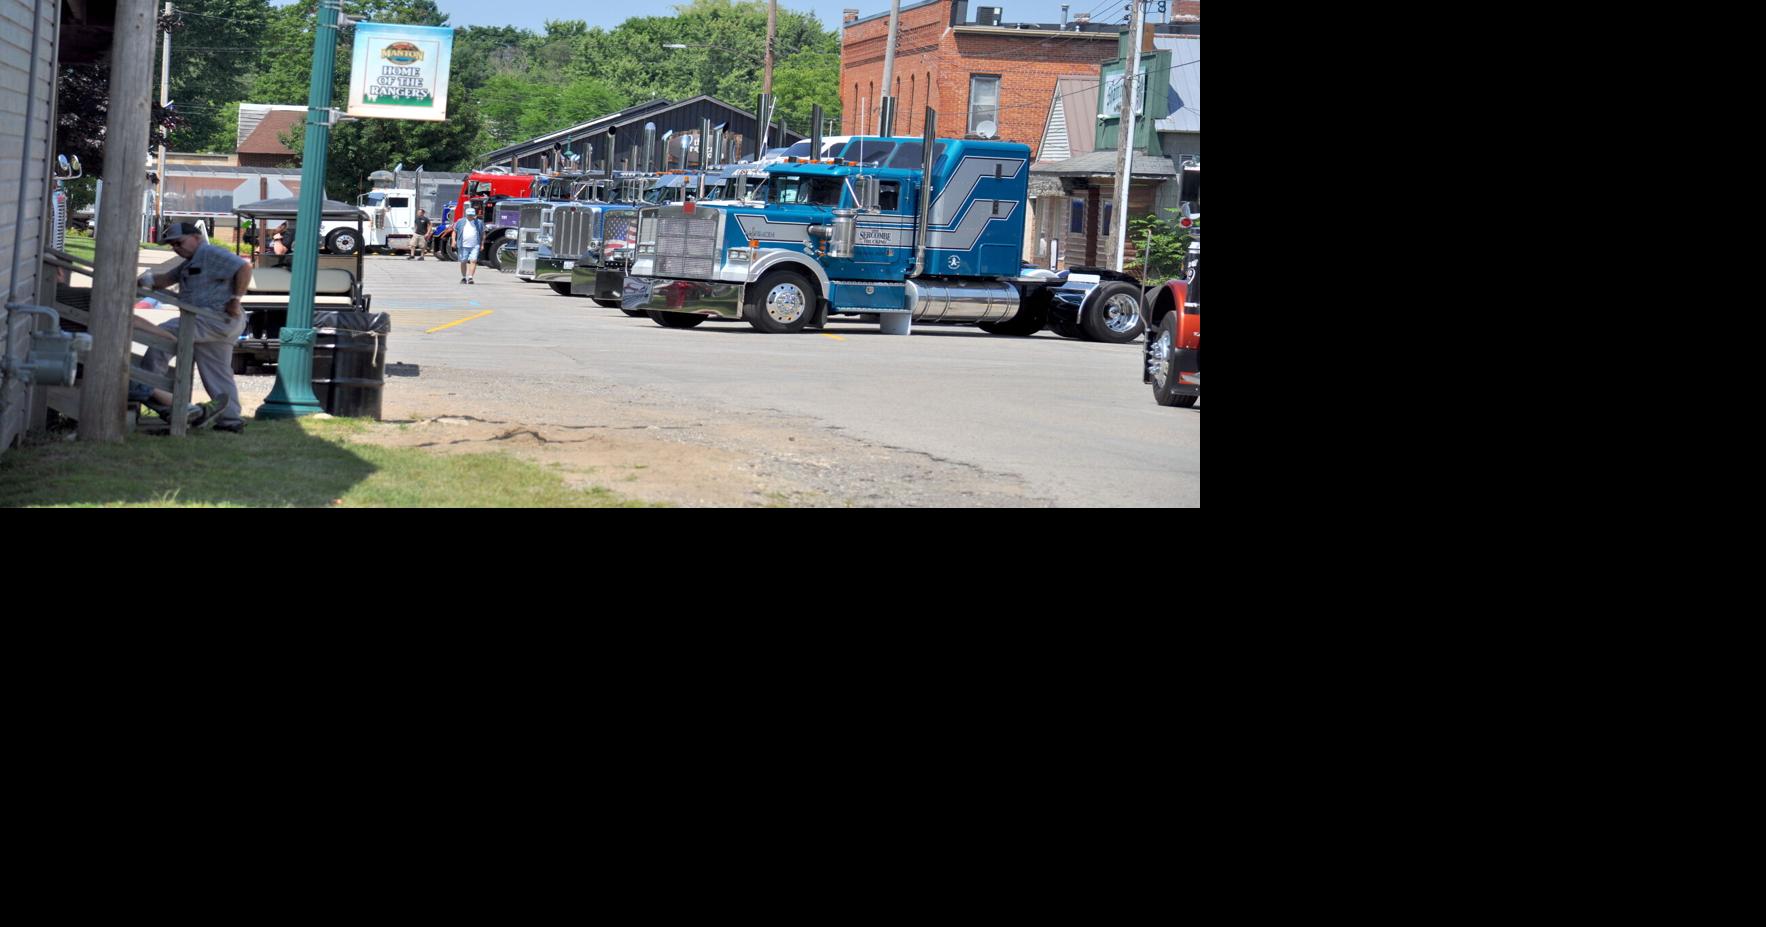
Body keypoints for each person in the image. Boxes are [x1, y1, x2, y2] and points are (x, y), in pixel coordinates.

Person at [138, 221, 252, 433]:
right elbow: (164, 279)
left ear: (196, 238)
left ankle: (150, 390)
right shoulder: (191, 261)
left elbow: (243, 267)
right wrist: (142, 281)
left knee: (161, 337)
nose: (176, 249)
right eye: (172, 245)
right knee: (217, 372)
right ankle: (230, 420)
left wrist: (236, 299)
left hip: (213, 318)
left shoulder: (208, 252)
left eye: (179, 243)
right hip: (214, 323)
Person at [442, 205, 484, 284]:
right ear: (466, 214)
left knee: (473, 260)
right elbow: (454, 231)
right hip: (463, 245)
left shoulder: (479, 222)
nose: (470, 216)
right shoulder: (460, 221)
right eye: (469, 215)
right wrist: (453, 241)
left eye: (472, 215)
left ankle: (470, 277)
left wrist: (482, 244)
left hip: (475, 245)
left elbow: (482, 233)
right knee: (463, 261)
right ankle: (464, 277)